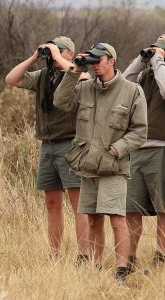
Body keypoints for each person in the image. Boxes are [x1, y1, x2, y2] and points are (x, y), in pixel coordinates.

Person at [54, 43, 147, 282]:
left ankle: (121, 272)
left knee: (117, 219)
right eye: (91, 60)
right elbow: (60, 101)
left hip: (114, 167)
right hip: (88, 166)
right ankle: (95, 269)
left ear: (111, 61)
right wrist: (74, 70)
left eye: (98, 60)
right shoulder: (84, 87)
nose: (94, 65)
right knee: (94, 219)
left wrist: (118, 149)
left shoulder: (132, 91)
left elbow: (139, 131)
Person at [5, 36, 89, 263]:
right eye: (52, 51)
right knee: (52, 203)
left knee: (78, 203)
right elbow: (11, 79)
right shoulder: (43, 76)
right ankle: (54, 254)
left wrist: (57, 57)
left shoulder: (75, 73)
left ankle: (84, 255)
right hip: (47, 145)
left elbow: (83, 76)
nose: (53, 55)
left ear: (70, 54)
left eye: (61, 51)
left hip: (70, 143)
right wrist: (34, 56)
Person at [122, 34, 165, 271]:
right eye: (154, 50)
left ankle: (161, 258)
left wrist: (159, 63)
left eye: (160, 50)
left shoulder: (160, 72)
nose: (155, 54)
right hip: (137, 147)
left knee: (163, 208)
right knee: (131, 208)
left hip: (162, 147)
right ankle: (129, 259)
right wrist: (141, 59)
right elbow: (125, 83)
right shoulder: (145, 73)